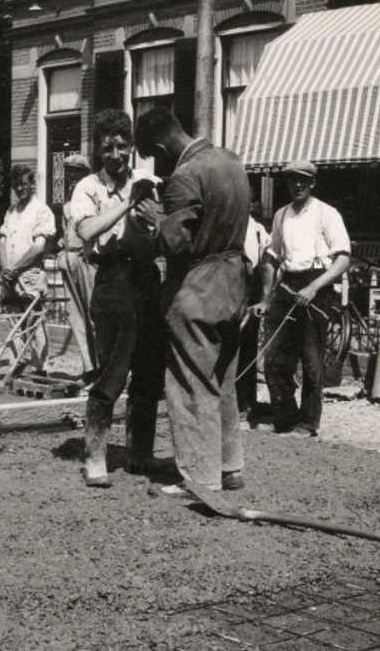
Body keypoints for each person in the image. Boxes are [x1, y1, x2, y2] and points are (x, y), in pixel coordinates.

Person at [131, 107, 250, 497]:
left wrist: (157, 219)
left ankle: (200, 478)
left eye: (153, 155)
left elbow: (178, 246)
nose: (157, 164)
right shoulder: (231, 160)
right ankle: (230, 467)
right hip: (235, 282)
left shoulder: (185, 175)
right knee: (224, 380)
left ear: (161, 146)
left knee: (191, 382)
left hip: (199, 287)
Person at [72, 109, 166, 487]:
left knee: (148, 371)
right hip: (112, 280)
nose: (116, 155)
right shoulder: (88, 188)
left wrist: (154, 217)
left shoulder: (147, 181)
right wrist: (128, 204)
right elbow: (86, 232)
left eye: (122, 147)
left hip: (146, 279)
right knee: (112, 371)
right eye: (108, 148)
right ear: (97, 150)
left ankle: (140, 453)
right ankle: (95, 456)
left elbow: (161, 232)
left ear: (131, 147)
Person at [250, 159, 350, 437]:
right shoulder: (282, 215)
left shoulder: (327, 213)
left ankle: (308, 423)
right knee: (275, 358)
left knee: (311, 360)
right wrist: (265, 298)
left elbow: (343, 260)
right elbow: (272, 258)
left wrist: (314, 287)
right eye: (292, 179)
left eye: (302, 179)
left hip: (317, 285)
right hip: (288, 285)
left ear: (312, 183)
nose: (297, 184)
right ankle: (284, 416)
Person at [0, 165, 56, 375]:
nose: (19, 189)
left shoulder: (41, 210)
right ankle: (16, 366)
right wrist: (5, 267)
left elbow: (39, 247)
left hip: (30, 274)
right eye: (16, 185)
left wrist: (16, 267)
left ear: (32, 184)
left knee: (34, 321)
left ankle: (40, 368)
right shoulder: (12, 211)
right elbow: (2, 241)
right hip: (10, 275)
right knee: (13, 320)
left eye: (23, 184)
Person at [57, 154, 97, 387]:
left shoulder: (92, 196)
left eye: (77, 172)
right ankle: (89, 368)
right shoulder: (67, 203)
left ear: (85, 174)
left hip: (87, 259)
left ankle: (104, 369)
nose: (72, 176)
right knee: (76, 316)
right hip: (70, 258)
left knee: (93, 315)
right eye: (69, 172)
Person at [236, 192, 272, 422]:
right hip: (229, 289)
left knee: (247, 348)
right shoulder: (226, 223)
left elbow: (266, 265)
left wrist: (264, 298)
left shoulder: (258, 230)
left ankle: (246, 402)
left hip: (251, 291)